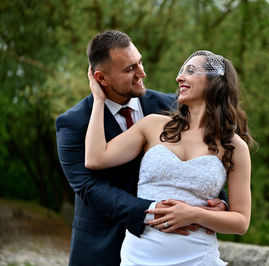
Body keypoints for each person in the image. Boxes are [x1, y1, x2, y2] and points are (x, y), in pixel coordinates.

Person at [56, 30, 227, 266]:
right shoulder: (73, 123)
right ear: (101, 78)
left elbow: (205, 154)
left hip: (174, 246)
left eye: (140, 62)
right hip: (101, 246)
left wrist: (217, 201)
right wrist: (153, 210)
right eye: (129, 70)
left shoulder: (171, 106)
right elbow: (89, 187)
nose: (142, 74)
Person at [85, 49, 253, 265]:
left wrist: (194, 214)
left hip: (197, 258)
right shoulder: (152, 125)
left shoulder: (234, 146)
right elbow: (95, 158)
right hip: (139, 256)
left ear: (214, 82)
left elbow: (241, 222)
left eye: (190, 71)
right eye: (182, 71)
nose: (179, 77)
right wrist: (98, 100)